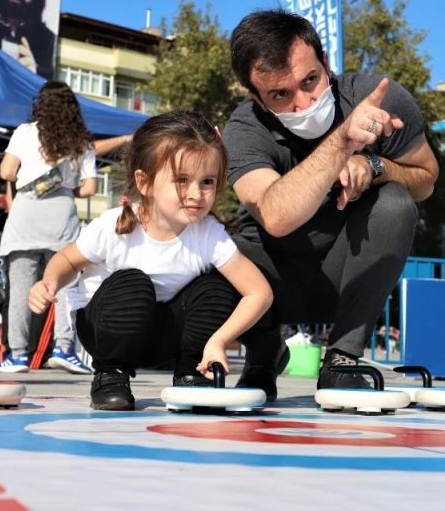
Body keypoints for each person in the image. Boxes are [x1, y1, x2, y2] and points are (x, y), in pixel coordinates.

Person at [224, 10, 439, 390]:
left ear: (325, 62)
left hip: (347, 270)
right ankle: (264, 351)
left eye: (311, 80)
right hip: (272, 276)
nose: (304, 103)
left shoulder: (378, 99)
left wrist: (376, 166)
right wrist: (342, 144)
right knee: (210, 249)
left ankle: (343, 357)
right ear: (256, 98)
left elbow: (425, 180)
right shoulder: (244, 128)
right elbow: (274, 216)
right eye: (280, 94)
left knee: (395, 202)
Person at [28, 110, 274, 411]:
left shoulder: (209, 233)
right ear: (145, 183)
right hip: (107, 331)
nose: (197, 193)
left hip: (162, 338)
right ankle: (110, 373)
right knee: (133, 282)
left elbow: (258, 292)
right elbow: (67, 259)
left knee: (216, 287)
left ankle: (191, 374)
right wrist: (50, 281)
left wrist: (219, 341)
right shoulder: (114, 225)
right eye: (182, 180)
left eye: (207, 181)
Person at [0, 81, 98, 374]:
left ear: (40, 105)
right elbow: (90, 188)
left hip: (25, 212)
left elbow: (6, 171)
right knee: (65, 283)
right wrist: (68, 190)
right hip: (61, 215)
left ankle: (16, 355)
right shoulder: (82, 141)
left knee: (19, 288)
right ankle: (64, 348)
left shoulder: (25, 132)